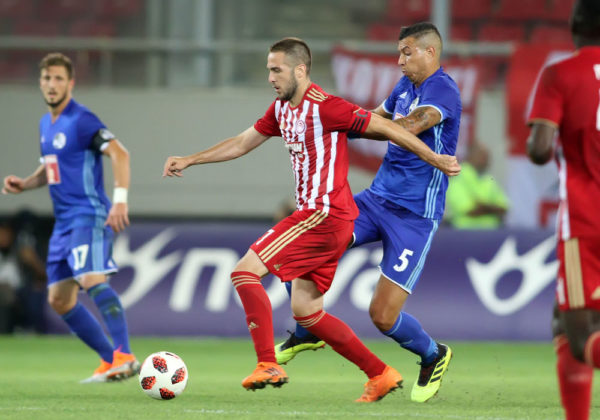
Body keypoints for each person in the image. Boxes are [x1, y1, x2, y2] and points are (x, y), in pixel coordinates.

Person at [163, 37, 460, 402]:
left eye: (276, 70)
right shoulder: (282, 109)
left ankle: (269, 363)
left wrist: (435, 158)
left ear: (300, 70)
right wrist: (191, 159)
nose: (270, 78)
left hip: (355, 215)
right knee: (306, 308)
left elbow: (392, 127)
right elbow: (242, 142)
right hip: (363, 206)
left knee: (247, 274)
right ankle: (377, 372)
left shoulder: (332, 106)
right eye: (269, 70)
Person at [275, 23, 461, 403]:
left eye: (407, 52)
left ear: (430, 52)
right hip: (375, 201)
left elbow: (408, 126)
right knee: (305, 245)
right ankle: (307, 330)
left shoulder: (443, 90)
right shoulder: (404, 86)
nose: (400, 61)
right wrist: (333, 121)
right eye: (399, 52)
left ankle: (433, 354)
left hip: (414, 217)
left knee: (382, 316)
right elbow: (374, 116)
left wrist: (359, 123)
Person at [2, 52, 139, 383]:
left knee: (92, 280)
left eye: (58, 78)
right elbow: (51, 168)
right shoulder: (45, 124)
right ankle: (110, 361)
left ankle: (125, 355)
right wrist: (26, 183)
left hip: (88, 215)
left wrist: (120, 201)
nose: (52, 84)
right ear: (40, 82)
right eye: (47, 78)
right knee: (59, 299)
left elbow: (120, 153)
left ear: (71, 83)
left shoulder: (82, 119)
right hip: (62, 224)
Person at [526, 1, 600, 419]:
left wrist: (542, 134)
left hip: (586, 222)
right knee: (562, 319)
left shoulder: (561, 73)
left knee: (578, 335)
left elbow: (539, 150)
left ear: (575, 25)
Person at [445, 141, 509, 229]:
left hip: (492, 232)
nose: (486, 160)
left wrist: (483, 206)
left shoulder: (489, 179)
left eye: (487, 156)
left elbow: (504, 209)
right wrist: (492, 208)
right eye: (482, 156)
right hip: (466, 232)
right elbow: (470, 211)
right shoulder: (458, 178)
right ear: (470, 156)